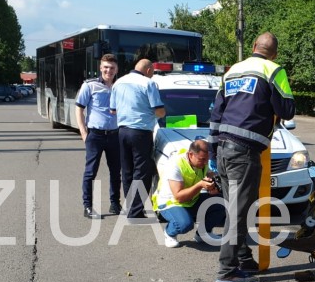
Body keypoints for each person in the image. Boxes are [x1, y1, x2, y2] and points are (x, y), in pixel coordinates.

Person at [210, 32, 295, 282]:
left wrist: (213, 152)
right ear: (274, 54)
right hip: (245, 152)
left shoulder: (232, 71)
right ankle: (227, 271)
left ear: (253, 46)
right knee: (238, 212)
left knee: (236, 209)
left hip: (223, 149)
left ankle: (243, 258)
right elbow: (287, 110)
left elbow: (216, 113)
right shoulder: (274, 70)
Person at [109, 59, 165, 222]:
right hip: (141, 132)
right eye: (152, 72)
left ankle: (130, 207)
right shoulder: (148, 83)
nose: (152, 74)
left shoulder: (118, 82)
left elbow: (112, 110)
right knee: (142, 171)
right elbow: (159, 110)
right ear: (148, 70)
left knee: (127, 170)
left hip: (122, 131)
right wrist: (161, 113)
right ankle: (136, 212)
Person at [152, 139, 225, 248]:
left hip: (191, 199)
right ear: (191, 155)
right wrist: (200, 185)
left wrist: (215, 185)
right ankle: (169, 233)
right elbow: (179, 197)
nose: (205, 163)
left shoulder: (202, 162)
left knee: (222, 202)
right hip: (171, 202)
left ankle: (203, 234)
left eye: (207, 159)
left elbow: (210, 175)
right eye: (202, 159)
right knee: (185, 224)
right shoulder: (175, 164)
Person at [75, 53, 122, 219]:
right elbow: (79, 108)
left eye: (112, 68)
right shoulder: (90, 85)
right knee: (90, 172)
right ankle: (87, 206)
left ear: (117, 69)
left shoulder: (120, 86)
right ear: (101, 68)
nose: (109, 70)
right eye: (106, 67)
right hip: (95, 135)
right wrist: (83, 132)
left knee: (116, 172)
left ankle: (115, 203)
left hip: (115, 135)